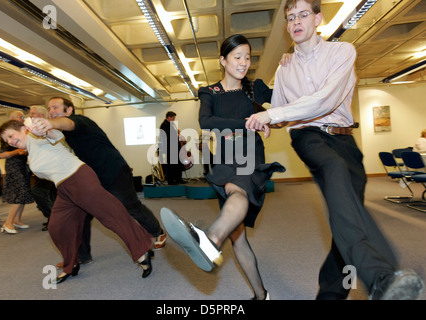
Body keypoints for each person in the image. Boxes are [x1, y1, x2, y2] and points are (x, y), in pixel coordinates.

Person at [246, 0, 424, 300]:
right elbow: (281, 112)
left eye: (303, 14)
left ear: (318, 18)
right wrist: (267, 119)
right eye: (290, 18)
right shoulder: (285, 68)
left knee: (347, 214)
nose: (295, 22)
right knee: (334, 171)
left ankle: (330, 295)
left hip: (345, 139)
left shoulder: (342, 52)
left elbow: (324, 100)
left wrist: (272, 115)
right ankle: (381, 278)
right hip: (308, 137)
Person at [160, 34, 285, 300]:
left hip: (250, 156)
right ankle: (262, 296)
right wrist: (251, 121)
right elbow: (206, 121)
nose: (244, 62)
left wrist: (290, 69)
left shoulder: (255, 88)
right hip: (226, 159)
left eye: (248, 57)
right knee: (238, 238)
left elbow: (285, 103)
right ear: (223, 60)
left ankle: (210, 239)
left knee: (237, 192)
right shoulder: (210, 91)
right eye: (237, 56)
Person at [0, 119, 154, 283]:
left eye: (10, 135)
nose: (10, 141)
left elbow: (54, 134)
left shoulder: (37, 136)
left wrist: (45, 128)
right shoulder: (30, 151)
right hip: (65, 188)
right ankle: (71, 265)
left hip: (78, 178)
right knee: (57, 227)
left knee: (111, 215)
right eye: (6, 140)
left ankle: (142, 251)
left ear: (24, 129)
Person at [31, 97, 166, 265]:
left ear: (69, 110)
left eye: (56, 107)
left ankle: (158, 232)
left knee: (130, 206)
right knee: (83, 216)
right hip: (92, 177)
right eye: (49, 109)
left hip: (113, 171)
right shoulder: (63, 132)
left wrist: (51, 124)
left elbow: (66, 123)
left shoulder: (79, 121)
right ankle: (83, 256)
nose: (51, 112)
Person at [0, 111, 34, 234]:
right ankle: (8, 223)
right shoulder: (7, 135)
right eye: (21, 117)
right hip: (14, 167)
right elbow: (2, 155)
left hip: (21, 165)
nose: (23, 119)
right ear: (12, 119)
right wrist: (18, 151)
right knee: (19, 194)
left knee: (23, 194)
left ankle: (17, 220)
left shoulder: (23, 132)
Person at [28, 106, 57, 231]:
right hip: (42, 169)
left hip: (51, 167)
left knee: (38, 192)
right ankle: (53, 219)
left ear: (41, 116)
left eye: (33, 114)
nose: (30, 116)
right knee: (49, 195)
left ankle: (54, 219)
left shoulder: (49, 128)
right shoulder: (32, 130)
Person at [159, 111, 186, 185]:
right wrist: (176, 135)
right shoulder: (164, 125)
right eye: (173, 118)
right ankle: (171, 181)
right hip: (169, 149)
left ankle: (178, 179)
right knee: (171, 165)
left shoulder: (172, 124)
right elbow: (166, 137)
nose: (174, 119)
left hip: (175, 148)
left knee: (177, 164)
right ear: (169, 117)